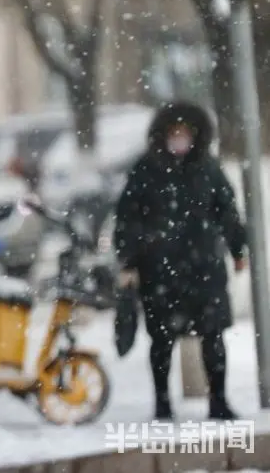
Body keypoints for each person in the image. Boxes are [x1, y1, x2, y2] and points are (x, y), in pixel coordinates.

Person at [114, 102, 247, 421]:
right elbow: (128, 217)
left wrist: (237, 249)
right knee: (162, 341)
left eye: (185, 133)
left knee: (212, 336)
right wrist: (129, 259)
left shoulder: (209, 169)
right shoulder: (146, 170)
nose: (180, 139)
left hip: (204, 269)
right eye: (174, 133)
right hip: (159, 271)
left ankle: (219, 400)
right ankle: (162, 403)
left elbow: (226, 211)